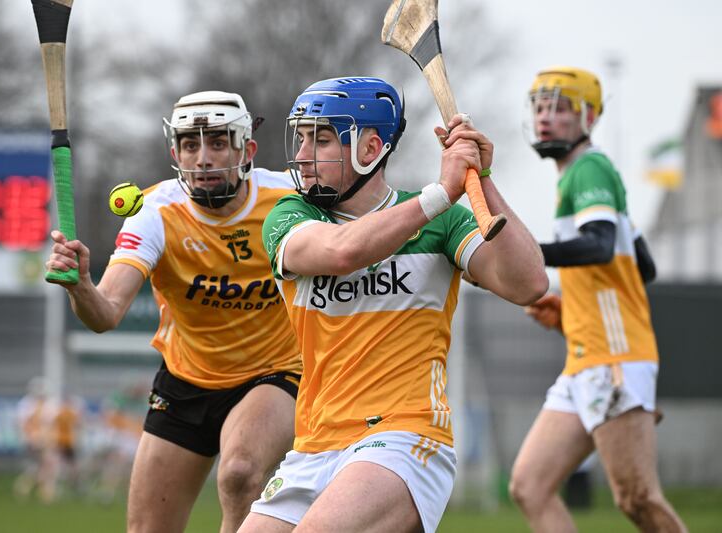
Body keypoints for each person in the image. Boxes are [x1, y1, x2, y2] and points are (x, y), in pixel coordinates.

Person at [238, 76, 548, 533]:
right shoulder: (291, 216)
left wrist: (480, 178)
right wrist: (439, 194)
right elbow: (342, 252)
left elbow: (529, 283)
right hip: (315, 444)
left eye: (321, 139)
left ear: (370, 148)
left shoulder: (443, 223)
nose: (302, 154)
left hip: (405, 436)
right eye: (301, 137)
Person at [46, 90, 302, 533]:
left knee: (240, 471)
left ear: (248, 149)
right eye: (189, 144)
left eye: (218, 143)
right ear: (175, 152)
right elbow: (105, 314)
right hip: (185, 380)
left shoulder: (290, 198)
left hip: (276, 372)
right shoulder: (155, 211)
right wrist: (82, 286)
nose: (202, 158)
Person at [509, 66, 687, 533]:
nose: (547, 117)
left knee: (638, 499)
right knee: (530, 485)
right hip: (586, 358)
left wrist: (531, 253)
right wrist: (574, 305)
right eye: (540, 107)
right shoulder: (587, 177)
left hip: (614, 359)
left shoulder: (589, 166)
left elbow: (599, 245)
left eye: (560, 108)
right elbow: (639, 265)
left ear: (588, 117)